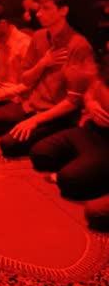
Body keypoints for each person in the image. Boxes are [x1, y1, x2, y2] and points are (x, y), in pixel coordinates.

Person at [0, 0, 96, 157]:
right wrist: (43, 63)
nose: (39, 14)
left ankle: (52, 136)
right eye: (39, 8)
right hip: (30, 105)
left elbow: (73, 101)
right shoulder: (39, 36)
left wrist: (35, 120)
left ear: (63, 11)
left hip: (56, 114)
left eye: (46, 8)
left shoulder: (79, 45)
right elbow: (25, 79)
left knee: (15, 146)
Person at [29, 55, 109, 200]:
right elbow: (90, 91)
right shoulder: (105, 66)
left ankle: (87, 169)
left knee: (69, 181)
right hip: (92, 130)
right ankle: (85, 164)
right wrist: (91, 103)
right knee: (39, 153)